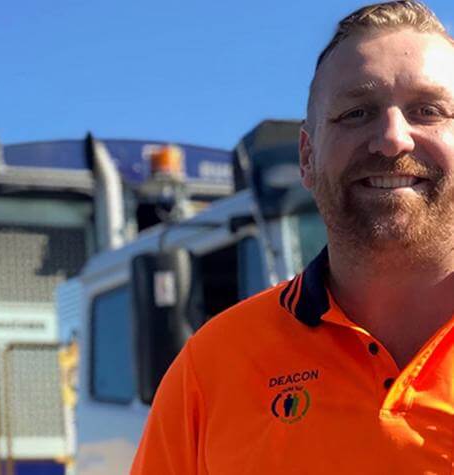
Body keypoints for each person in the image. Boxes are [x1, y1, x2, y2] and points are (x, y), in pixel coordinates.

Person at [131, 1, 454, 473]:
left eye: (428, 110)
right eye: (356, 112)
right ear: (307, 157)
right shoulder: (212, 366)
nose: (392, 138)